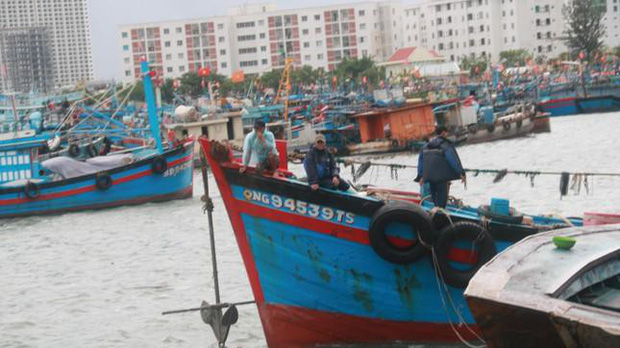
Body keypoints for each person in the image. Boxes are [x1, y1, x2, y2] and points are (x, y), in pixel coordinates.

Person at [415, 126, 466, 208]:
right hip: (441, 178)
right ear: (443, 133)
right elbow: (452, 160)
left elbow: (421, 162)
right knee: (442, 202)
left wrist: (420, 176)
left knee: (434, 200)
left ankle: (434, 212)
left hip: (429, 178)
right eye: (446, 133)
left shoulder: (425, 146)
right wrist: (461, 173)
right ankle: (441, 213)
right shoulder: (445, 145)